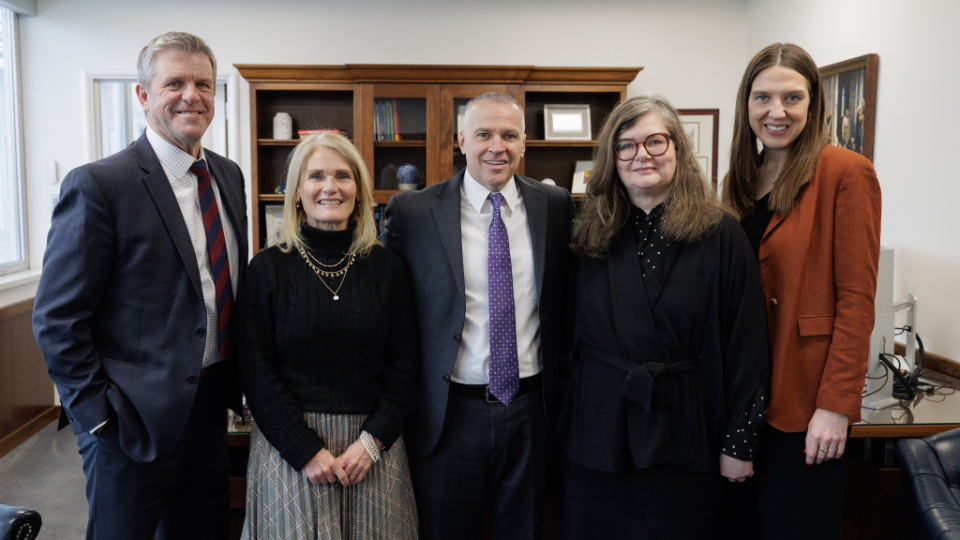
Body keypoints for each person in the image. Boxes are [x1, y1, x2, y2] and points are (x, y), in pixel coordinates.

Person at [32, 32, 245, 540]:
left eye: (203, 84)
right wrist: (98, 420)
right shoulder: (100, 185)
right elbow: (58, 320)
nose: (192, 95)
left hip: (210, 412)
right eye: (175, 83)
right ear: (143, 95)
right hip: (130, 423)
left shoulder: (228, 176)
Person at [555, 95, 770, 539]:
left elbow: (747, 347)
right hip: (598, 433)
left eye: (655, 141)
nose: (642, 155)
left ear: (678, 149)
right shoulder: (589, 232)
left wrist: (739, 442)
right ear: (612, 158)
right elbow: (564, 337)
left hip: (684, 431)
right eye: (626, 145)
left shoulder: (721, 235)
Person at [381, 92, 575, 540]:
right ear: (463, 140)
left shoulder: (555, 205)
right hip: (448, 417)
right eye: (484, 134)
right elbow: (390, 315)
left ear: (523, 143)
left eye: (509, 135)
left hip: (532, 414)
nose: (497, 147)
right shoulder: (414, 212)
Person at [722, 42, 882, 539]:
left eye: (792, 97)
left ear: (813, 103)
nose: (777, 111)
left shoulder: (845, 172)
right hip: (743, 399)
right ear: (746, 104)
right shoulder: (738, 181)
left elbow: (857, 302)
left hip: (805, 403)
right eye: (763, 98)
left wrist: (835, 406)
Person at [238, 133, 419, 540]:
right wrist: (303, 450)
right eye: (316, 176)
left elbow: (405, 364)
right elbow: (256, 370)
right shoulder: (267, 268)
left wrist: (372, 442)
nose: (330, 187)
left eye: (342, 176)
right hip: (290, 450)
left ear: (359, 190)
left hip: (372, 450)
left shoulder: (387, 267)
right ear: (297, 192)